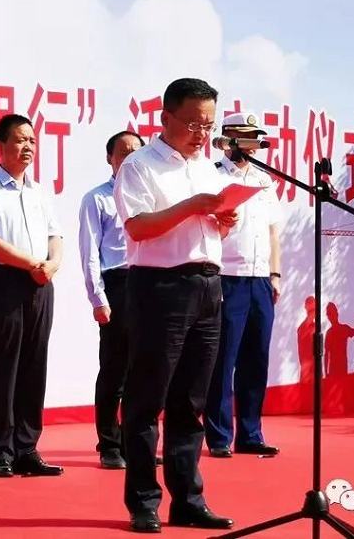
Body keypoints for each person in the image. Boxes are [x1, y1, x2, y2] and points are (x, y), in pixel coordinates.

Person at [114, 77, 237, 533]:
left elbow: (211, 231)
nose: (202, 134)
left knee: (191, 401)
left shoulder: (208, 168)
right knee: (147, 400)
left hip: (208, 284)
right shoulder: (140, 165)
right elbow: (138, 227)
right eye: (193, 124)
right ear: (166, 117)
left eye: (208, 125)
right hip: (160, 286)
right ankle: (143, 501)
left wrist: (223, 219)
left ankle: (188, 500)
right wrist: (192, 205)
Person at [0, 113, 64, 478]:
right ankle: (0, 452)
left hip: (40, 283)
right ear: (0, 146)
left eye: (32, 141)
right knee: (3, 367)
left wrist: (52, 264)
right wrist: (32, 264)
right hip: (3, 283)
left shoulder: (39, 192)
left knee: (34, 366)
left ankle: (27, 449)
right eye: (20, 140)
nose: (28, 147)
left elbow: (55, 235)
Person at [205, 112, 283, 459]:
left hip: (260, 279)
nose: (253, 145)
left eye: (255, 139)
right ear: (230, 141)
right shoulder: (213, 175)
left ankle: (251, 434)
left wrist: (275, 274)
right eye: (246, 138)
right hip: (227, 277)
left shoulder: (264, 180)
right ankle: (220, 436)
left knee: (256, 359)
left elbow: (272, 231)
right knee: (223, 361)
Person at [78, 130, 145, 470]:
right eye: (123, 152)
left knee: (142, 372)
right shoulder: (97, 199)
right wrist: (98, 298)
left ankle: (135, 444)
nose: (131, 158)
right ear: (110, 158)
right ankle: (109, 445)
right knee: (114, 371)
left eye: (137, 152)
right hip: (117, 285)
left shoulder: (150, 197)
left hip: (149, 284)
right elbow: (89, 252)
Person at [324, 303, 354, 377]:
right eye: (328, 314)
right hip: (335, 368)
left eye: (330, 313)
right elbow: (326, 354)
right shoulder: (330, 333)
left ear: (336, 314)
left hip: (341, 367)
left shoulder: (342, 329)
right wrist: (326, 373)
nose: (329, 316)